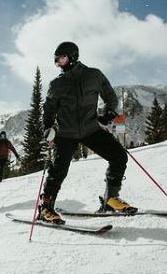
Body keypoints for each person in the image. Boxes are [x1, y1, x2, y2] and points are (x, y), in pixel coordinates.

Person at [39, 41, 137, 224]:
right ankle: (46, 208)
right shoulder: (57, 84)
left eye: (62, 59)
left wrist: (109, 113)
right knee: (58, 171)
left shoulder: (94, 75)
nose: (59, 64)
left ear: (73, 56)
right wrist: (47, 127)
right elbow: (49, 109)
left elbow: (110, 96)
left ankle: (111, 199)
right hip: (65, 133)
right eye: (56, 61)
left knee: (119, 156)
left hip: (90, 129)